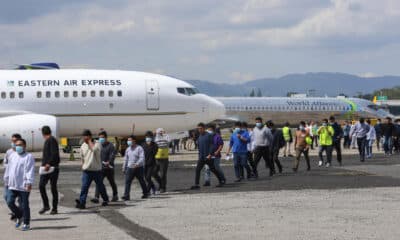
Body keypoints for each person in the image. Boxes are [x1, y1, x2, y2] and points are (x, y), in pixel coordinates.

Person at [4, 139, 35, 231]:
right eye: (16, 145)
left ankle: (26, 223)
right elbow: (8, 169)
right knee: (9, 201)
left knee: (24, 205)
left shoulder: (28, 157)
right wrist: (6, 180)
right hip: (12, 184)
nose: (17, 147)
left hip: (23, 185)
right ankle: (19, 216)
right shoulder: (12, 156)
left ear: (24, 146)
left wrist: (29, 182)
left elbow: (30, 170)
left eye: (20, 145)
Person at [75, 130, 109, 209]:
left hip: (96, 170)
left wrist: (89, 141)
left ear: (90, 136)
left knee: (100, 186)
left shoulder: (97, 144)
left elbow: (94, 150)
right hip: (87, 171)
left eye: (85, 137)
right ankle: (82, 202)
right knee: (84, 187)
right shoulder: (83, 145)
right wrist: (83, 166)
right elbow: (82, 157)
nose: (84, 139)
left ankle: (105, 199)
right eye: (83, 137)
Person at [191, 123, 224, 190]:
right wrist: (199, 155)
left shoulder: (209, 135)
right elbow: (200, 147)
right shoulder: (200, 136)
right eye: (198, 128)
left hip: (208, 157)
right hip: (201, 157)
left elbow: (212, 146)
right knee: (197, 170)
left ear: (204, 128)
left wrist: (210, 154)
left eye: (200, 128)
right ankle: (196, 184)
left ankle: (221, 180)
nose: (199, 130)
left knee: (213, 169)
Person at [91, 131, 118, 204]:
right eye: (99, 138)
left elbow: (112, 155)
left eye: (102, 137)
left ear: (106, 138)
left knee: (112, 182)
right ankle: (96, 197)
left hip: (109, 168)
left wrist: (109, 161)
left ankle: (115, 195)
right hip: (101, 168)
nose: (101, 139)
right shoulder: (98, 146)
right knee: (98, 182)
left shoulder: (110, 145)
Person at [38, 126, 60, 215]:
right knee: (41, 186)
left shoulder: (51, 140)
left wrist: (49, 163)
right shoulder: (48, 140)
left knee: (53, 188)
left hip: (52, 168)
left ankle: (54, 208)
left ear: (43, 133)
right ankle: (46, 205)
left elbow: (54, 154)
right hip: (45, 168)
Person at [122, 135, 149, 200]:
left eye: (130, 140)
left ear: (134, 140)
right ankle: (126, 195)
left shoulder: (139, 148)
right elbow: (126, 158)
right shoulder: (128, 149)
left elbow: (142, 158)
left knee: (141, 181)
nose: (128, 142)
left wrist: (137, 164)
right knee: (127, 181)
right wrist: (124, 167)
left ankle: (145, 193)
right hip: (129, 167)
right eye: (128, 140)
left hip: (138, 168)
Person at [3, 133, 22, 221]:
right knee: (6, 198)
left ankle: (18, 214)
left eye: (15, 141)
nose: (13, 143)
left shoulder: (22, 153)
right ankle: (17, 212)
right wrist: (9, 166)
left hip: (18, 181)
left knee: (19, 200)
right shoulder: (8, 152)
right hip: (8, 180)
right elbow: (5, 162)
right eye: (12, 141)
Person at [154, 128, 170, 193]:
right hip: (156, 159)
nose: (161, 133)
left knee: (163, 174)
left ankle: (163, 187)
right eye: (159, 132)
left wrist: (165, 134)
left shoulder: (166, 138)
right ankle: (161, 184)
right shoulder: (155, 139)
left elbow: (169, 140)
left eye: (161, 132)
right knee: (153, 173)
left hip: (164, 159)